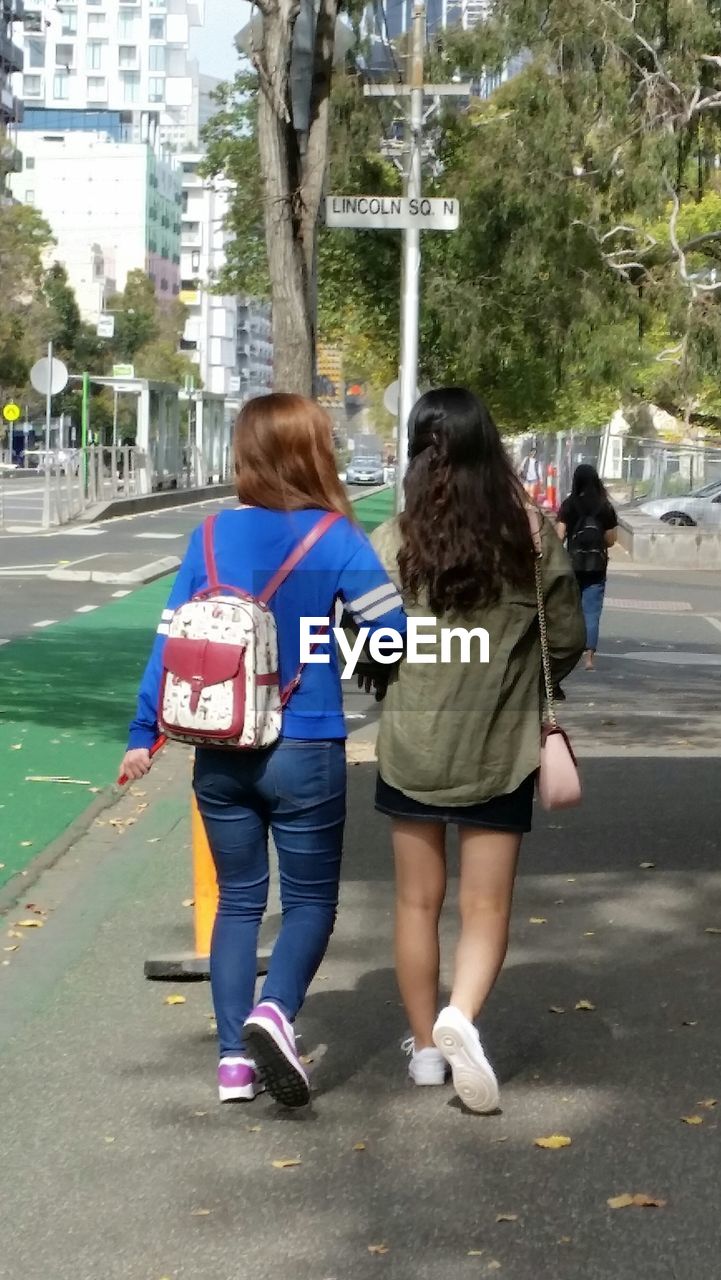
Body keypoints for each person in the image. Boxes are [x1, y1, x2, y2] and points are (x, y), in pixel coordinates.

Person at [119, 393, 407, 1109]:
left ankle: (231, 1067)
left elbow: (171, 642)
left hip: (219, 748)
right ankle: (273, 1012)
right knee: (310, 901)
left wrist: (142, 737)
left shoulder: (210, 537)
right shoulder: (335, 537)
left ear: (245, 453)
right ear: (313, 452)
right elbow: (391, 636)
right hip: (305, 745)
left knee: (238, 905)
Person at [367, 389, 585, 1113]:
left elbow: (366, 642)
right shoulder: (528, 536)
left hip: (412, 745)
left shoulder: (393, 541)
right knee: (485, 906)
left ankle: (426, 1053)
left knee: (414, 903)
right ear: (488, 448)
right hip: (499, 744)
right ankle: (459, 1014)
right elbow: (564, 639)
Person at [556, 464, 618, 671]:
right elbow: (611, 540)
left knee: (570, 610)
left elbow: (559, 535)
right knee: (591, 611)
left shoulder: (569, 504)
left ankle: (566, 652)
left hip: (572, 564)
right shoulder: (604, 506)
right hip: (596, 566)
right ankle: (589, 658)